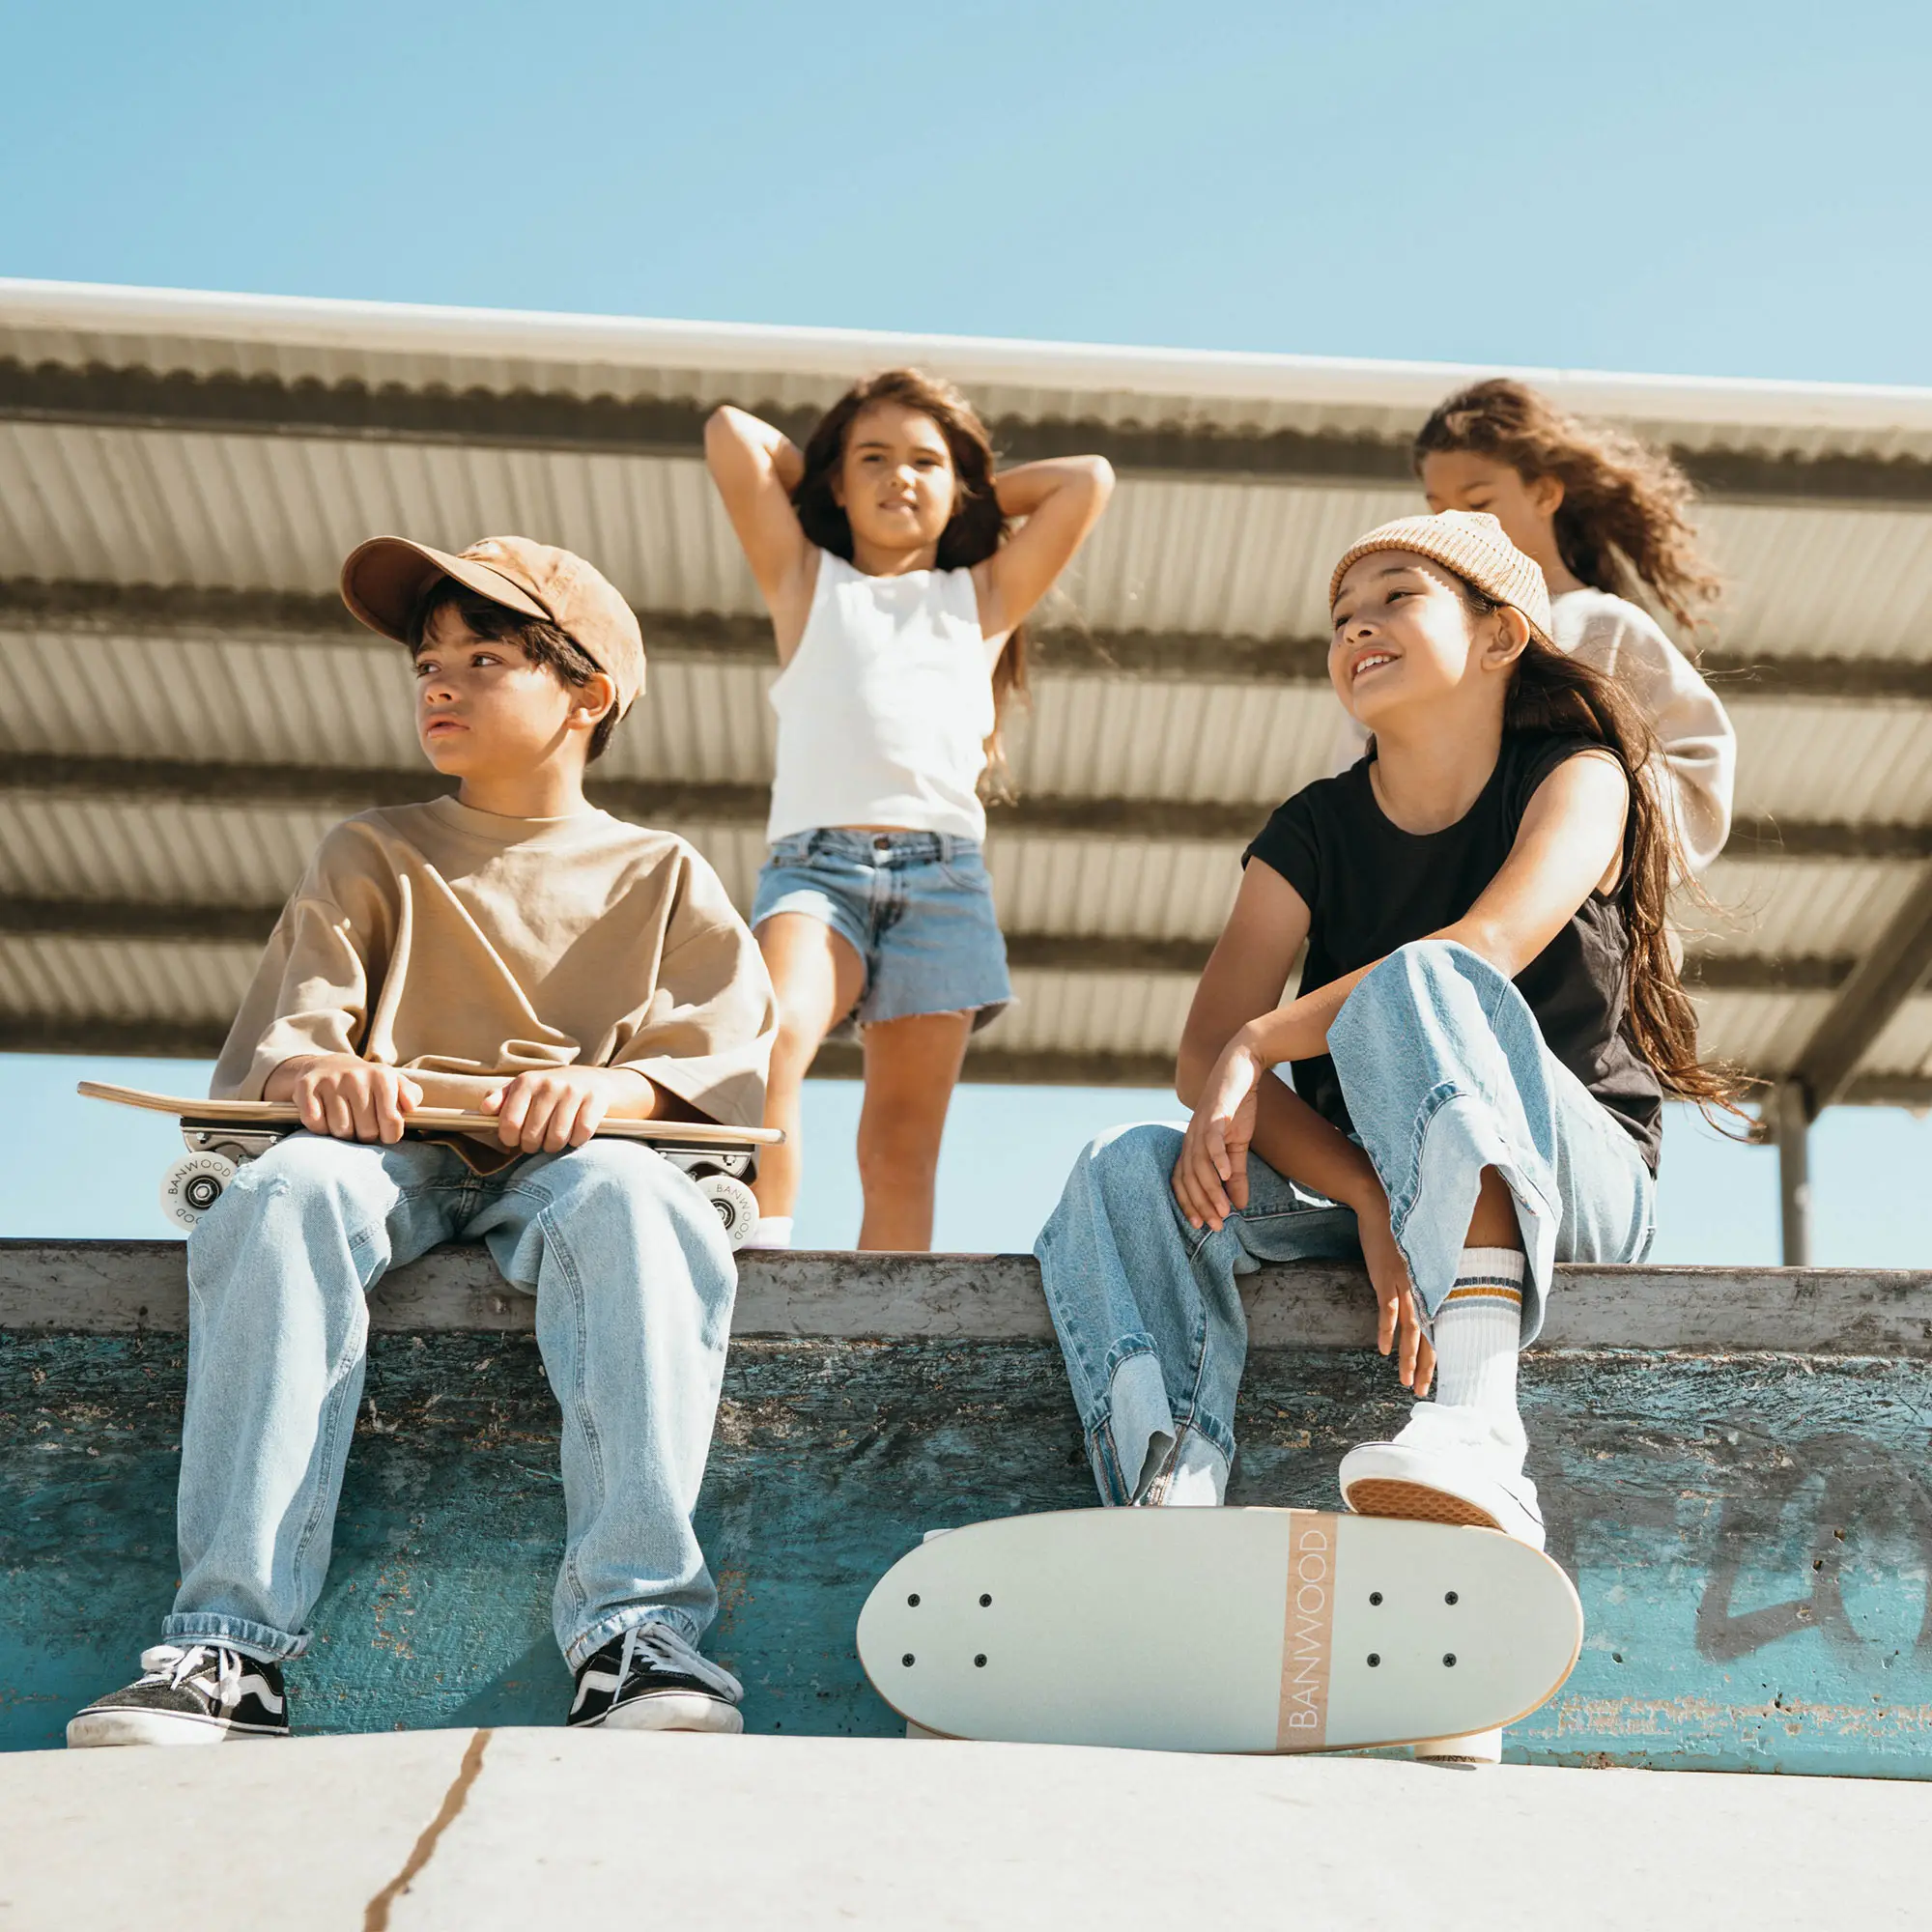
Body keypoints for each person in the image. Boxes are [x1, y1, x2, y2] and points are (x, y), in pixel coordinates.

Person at [1035, 511, 1735, 1758]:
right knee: (1123, 1166)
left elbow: (1481, 951)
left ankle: (1476, 1426)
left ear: (1501, 635)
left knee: (1425, 978)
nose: (1356, 627)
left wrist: (1265, 1041)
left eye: (1395, 596)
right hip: (1384, 1199)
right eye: (1340, 615)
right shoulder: (1312, 826)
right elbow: (1202, 1060)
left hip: (1569, 1187)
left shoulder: (1579, 776)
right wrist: (1364, 1192)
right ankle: (1168, 1503)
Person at [68, 534, 777, 1747]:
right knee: (285, 1191)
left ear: (587, 695)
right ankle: (229, 1650)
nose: (439, 683)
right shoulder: (370, 849)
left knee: (636, 1201)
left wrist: (604, 1089)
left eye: (483, 658)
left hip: (572, 1160)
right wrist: (321, 1073)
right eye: (427, 663)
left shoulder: (661, 873)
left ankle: (636, 1635)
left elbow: (709, 1065)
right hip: (384, 1150)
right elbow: (291, 1041)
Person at [705, 370, 1114, 1250]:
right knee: (771, 1039)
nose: (899, 476)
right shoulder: (806, 580)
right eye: (874, 459)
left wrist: (965, 496)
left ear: (956, 484)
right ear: (836, 484)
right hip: (817, 876)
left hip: (943, 888)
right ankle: (763, 1256)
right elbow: (732, 433)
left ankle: (883, 1320)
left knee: (901, 1147)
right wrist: (829, 480)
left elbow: (1088, 480)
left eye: (925, 461)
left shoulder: (983, 599)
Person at [1330, 377, 1735, 875]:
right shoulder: (1405, 636)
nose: (1456, 525)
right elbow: (1354, 793)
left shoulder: (1604, 626)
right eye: (1437, 510)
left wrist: (1579, 816)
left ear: (1544, 493)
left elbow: (1696, 773)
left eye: (1479, 503)